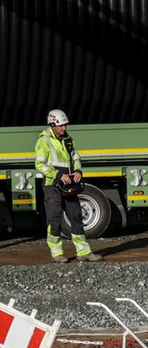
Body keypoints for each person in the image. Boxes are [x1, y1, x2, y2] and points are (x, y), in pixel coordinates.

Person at [34, 109, 103, 265]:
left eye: (65, 125)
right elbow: (39, 165)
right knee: (54, 218)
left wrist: (78, 171)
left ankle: (83, 252)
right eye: (61, 125)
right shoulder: (43, 141)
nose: (64, 128)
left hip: (69, 184)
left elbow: (75, 159)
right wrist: (59, 175)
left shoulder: (68, 140)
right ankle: (57, 254)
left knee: (76, 216)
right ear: (52, 125)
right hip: (52, 185)